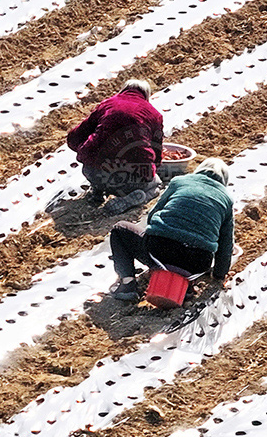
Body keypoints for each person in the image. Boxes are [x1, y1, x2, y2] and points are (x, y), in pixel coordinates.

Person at [107, 157, 235, 302]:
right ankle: (186, 285)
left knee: (119, 229)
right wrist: (219, 275)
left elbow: (153, 214)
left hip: (161, 250)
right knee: (195, 249)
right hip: (197, 263)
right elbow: (225, 245)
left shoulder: (180, 182)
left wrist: (155, 235)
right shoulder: (226, 199)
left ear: (198, 171)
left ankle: (127, 285)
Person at [66, 79, 164, 213]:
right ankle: (129, 200)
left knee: (99, 158)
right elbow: (156, 150)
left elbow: (76, 135)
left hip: (93, 172)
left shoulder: (108, 104)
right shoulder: (154, 115)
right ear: (146, 95)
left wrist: (83, 150)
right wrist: (152, 170)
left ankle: (97, 192)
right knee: (156, 185)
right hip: (127, 181)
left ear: (124, 90)